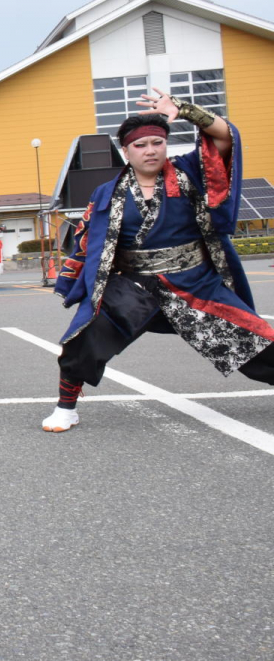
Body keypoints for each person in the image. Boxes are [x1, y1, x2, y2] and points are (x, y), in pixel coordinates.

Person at [43, 88, 274, 431]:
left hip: (196, 281)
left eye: (157, 142)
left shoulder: (190, 173)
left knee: (255, 340)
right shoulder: (107, 193)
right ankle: (66, 407)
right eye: (140, 145)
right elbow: (89, 243)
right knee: (83, 339)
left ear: (166, 144)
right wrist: (74, 280)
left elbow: (226, 140)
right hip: (134, 284)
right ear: (126, 151)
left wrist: (184, 109)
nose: (150, 151)